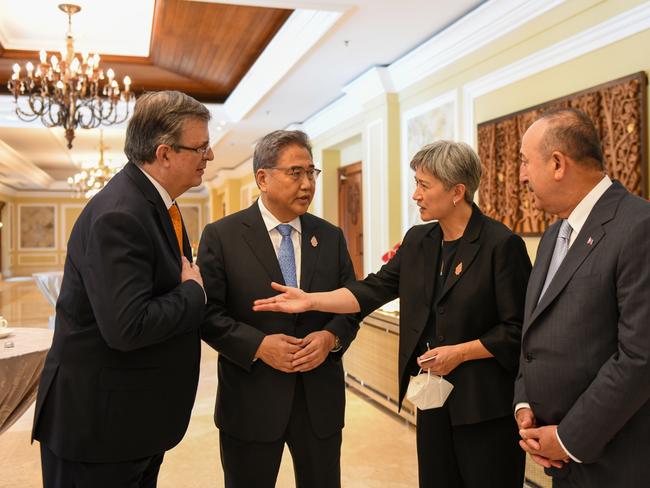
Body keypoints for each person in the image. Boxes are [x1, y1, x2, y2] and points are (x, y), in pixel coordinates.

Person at [254, 140, 531, 488]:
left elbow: (518, 329)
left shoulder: (501, 245)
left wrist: (460, 353)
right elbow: (372, 289)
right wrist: (312, 301)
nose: (415, 194)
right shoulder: (419, 241)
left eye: (423, 185)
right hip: (432, 400)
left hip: (484, 407)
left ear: (457, 191)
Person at [32, 90, 212, 488]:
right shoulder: (120, 214)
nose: (209, 156)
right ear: (164, 153)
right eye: (201, 147)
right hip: (100, 430)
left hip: (131, 420)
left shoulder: (155, 202)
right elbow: (127, 326)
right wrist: (193, 293)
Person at [197, 129, 359, 488]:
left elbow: (350, 305)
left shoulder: (330, 236)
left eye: (311, 173)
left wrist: (331, 338)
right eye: (295, 172)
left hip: (319, 400)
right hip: (251, 400)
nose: (307, 183)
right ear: (263, 178)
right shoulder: (221, 236)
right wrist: (258, 345)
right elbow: (208, 315)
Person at [515, 108, 650, 487]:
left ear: (558, 163)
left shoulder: (638, 226)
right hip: (561, 460)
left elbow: (640, 356)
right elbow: (535, 333)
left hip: (617, 459)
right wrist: (525, 404)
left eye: (526, 162)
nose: (522, 175)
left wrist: (568, 437)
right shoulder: (552, 238)